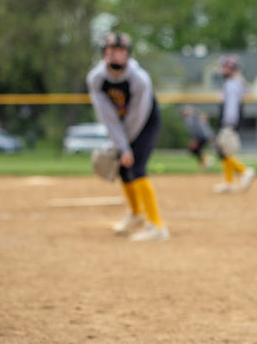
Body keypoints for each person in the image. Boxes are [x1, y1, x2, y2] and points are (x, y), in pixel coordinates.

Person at [86, 32, 169, 242]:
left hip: (145, 121)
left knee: (137, 167)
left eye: (121, 51)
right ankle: (135, 215)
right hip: (121, 124)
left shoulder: (139, 79)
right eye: (111, 51)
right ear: (104, 54)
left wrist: (126, 148)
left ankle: (157, 226)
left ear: (128, 55)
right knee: (123, 169)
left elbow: (136, 116)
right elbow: (107, 116)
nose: (116, 56)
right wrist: (121, 146)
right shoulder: (96, 79)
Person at [212, 56, 257, 194]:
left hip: (229, 122)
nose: (222, 70)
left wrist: (228, 123)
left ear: (231, 69)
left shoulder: (232, 84)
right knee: (225, 152)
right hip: (231, 122)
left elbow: (231, 106)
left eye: (225, 67)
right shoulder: (236, 83)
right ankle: (229, 182)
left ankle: (245, 171)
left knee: (223, 151)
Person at [180, 105, 219, 170]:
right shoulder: (188, 120)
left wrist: (208, 137)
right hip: (200, 137)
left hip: (203, 136)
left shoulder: (195, 118)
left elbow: (202, 129)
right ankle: (205, 161)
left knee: (194, 149)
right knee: (193, 150)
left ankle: (206, 160)